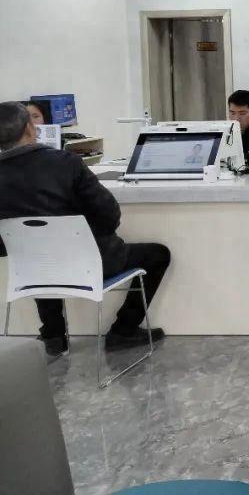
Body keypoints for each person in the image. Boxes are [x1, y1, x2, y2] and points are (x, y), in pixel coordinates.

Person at [0, 101, 171, 358]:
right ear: (29, 128)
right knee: (158, 254)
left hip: (30, 271)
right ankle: (124, 330)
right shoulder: (65, 163)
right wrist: (92, 238)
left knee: (40, 254)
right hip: (88, 265)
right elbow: (109, 215)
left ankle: (53, 336)